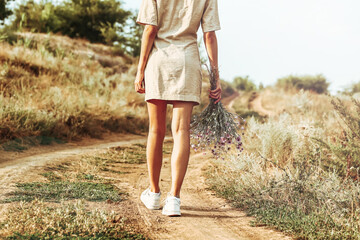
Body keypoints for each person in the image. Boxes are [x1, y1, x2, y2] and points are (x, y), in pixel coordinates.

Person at [135, 0, 221, 216]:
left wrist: (140, 70)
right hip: (187, 62)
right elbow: (209, 35)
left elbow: (150, 29)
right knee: (181, 130)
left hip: (159, 61)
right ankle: (174, 198)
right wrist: (215, 76)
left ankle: (154, 194)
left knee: (156, 130)